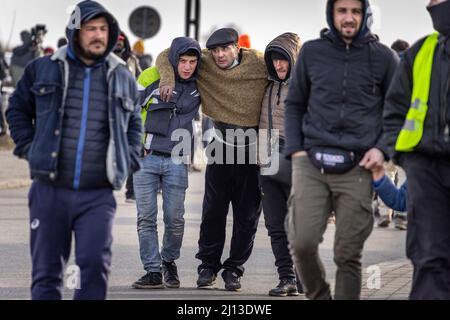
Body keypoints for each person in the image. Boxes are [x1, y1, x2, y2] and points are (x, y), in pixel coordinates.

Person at [6, 0, 142, 300]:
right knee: (47, 274)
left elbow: (134, 123)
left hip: (97, 194)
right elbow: (16, 109)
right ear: (75, 32)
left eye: (103, 29)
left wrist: (129, 157)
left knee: (92, 269)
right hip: (49, 191)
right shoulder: (43, 68)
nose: (98, 35)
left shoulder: (121, 75)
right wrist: (30, 148)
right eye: (90, 29)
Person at [284, 0, 399, 300]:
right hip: (310, 162)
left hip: (359, 166)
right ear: (332, 13)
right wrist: (296, 152)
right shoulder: (311, 52)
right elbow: (294, 104)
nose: (349, 17)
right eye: (342, 10)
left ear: (365, 15)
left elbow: (396, 112)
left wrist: (383, 150)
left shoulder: (385, 59)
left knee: (348, 254)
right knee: (302, 243)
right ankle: (319, 294)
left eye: (356, 11)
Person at [156, 28, 268, 291]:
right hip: (220, 141)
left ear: (237, 48)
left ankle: (234, 269)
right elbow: (165, 55)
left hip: (254, 144)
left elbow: (287, 66)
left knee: (247, 214)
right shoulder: (204, 60)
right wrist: (166, 78)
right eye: (215, 50)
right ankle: (207, 266)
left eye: (225, 49)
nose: (219, 55)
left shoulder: (259, 62)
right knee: (213, 210)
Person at [383, 0, 450, 300]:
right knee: (428, 256)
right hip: (426, 167)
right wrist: (405, 158)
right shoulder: (421, 52)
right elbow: (394, 109)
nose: (429, 4)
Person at [131, 37, 202, 290]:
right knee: (146, 219)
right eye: (182, 61)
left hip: (177, 160)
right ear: (173, 59)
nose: (187, 66)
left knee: (175, 219)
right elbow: (127, 109)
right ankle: (152, 271)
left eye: (192, 62)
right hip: (146, 158)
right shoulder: (151, 75)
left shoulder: (201, 82)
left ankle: (168, 262)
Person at [258, 32, 303, 297]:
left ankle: (302, 275)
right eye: (274, 60)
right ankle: (287, 277)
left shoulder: (306, 86)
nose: (278, 65)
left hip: (296, 161)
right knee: (275, 224)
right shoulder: (265, 83)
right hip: (266, 158)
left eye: (283, 60)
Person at [374, 38, 411, 229]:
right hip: (409, 137)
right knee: (405, 176)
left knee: (386, 173)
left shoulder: (385, 75)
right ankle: (402, 217)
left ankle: (384, 213)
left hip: (387, 135)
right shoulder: (413, 74)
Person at [114, 31, 143, 203]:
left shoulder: (132, 59)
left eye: (121, 41)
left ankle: (131, 191)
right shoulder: (104, 58)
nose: (119, 44)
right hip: (111, 109)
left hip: (130, 107)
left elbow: (139, 80)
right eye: (116, 41)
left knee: (135, 148)